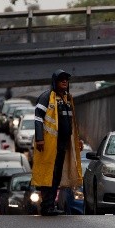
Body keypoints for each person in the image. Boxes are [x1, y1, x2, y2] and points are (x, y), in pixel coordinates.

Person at [32, 69, 83, 216]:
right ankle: (46, 206)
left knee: (56, 175)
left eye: (66, 79)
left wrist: (77, 139)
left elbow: (72, 123)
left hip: (62, 144)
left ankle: (50, 205)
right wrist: (40, 138)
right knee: (49, 174)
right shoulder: (47, 97)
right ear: (55, 82)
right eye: (61, 79)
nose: (65, 81)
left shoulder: (67, 99)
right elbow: (38, 118)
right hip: (49, 145)